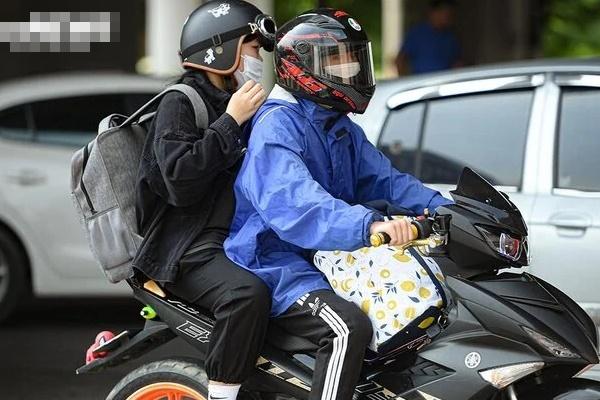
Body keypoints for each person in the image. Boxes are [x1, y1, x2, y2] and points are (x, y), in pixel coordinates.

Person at [225, 9, 452, 400]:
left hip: (328, 257)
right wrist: (371, 225)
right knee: (348, 328)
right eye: (337, 60)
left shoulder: (337, 124)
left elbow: (386, 180)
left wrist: (446, 208)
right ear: (302, 66)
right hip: (276, 262)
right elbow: (298, 204)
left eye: (354, 58)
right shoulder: (277, 124)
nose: (351, 68)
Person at [132, 2, 276, 400]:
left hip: (234, 236)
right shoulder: (180, 101)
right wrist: (231, 121)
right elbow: (180, 179)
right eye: (253, 48)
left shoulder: (233, 99)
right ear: (221, 49)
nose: (258, 59)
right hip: (188, 248)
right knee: (246, 295)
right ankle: (222, 394)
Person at [395, 0, 462, 75]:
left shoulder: (450, 37)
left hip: (444, 80)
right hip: (421, 80)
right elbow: (400, 60)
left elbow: (457, 63)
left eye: (451, 14)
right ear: (434, 12)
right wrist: (405, 79)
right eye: (446, 13)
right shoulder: (417, 33)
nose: (449, 17)